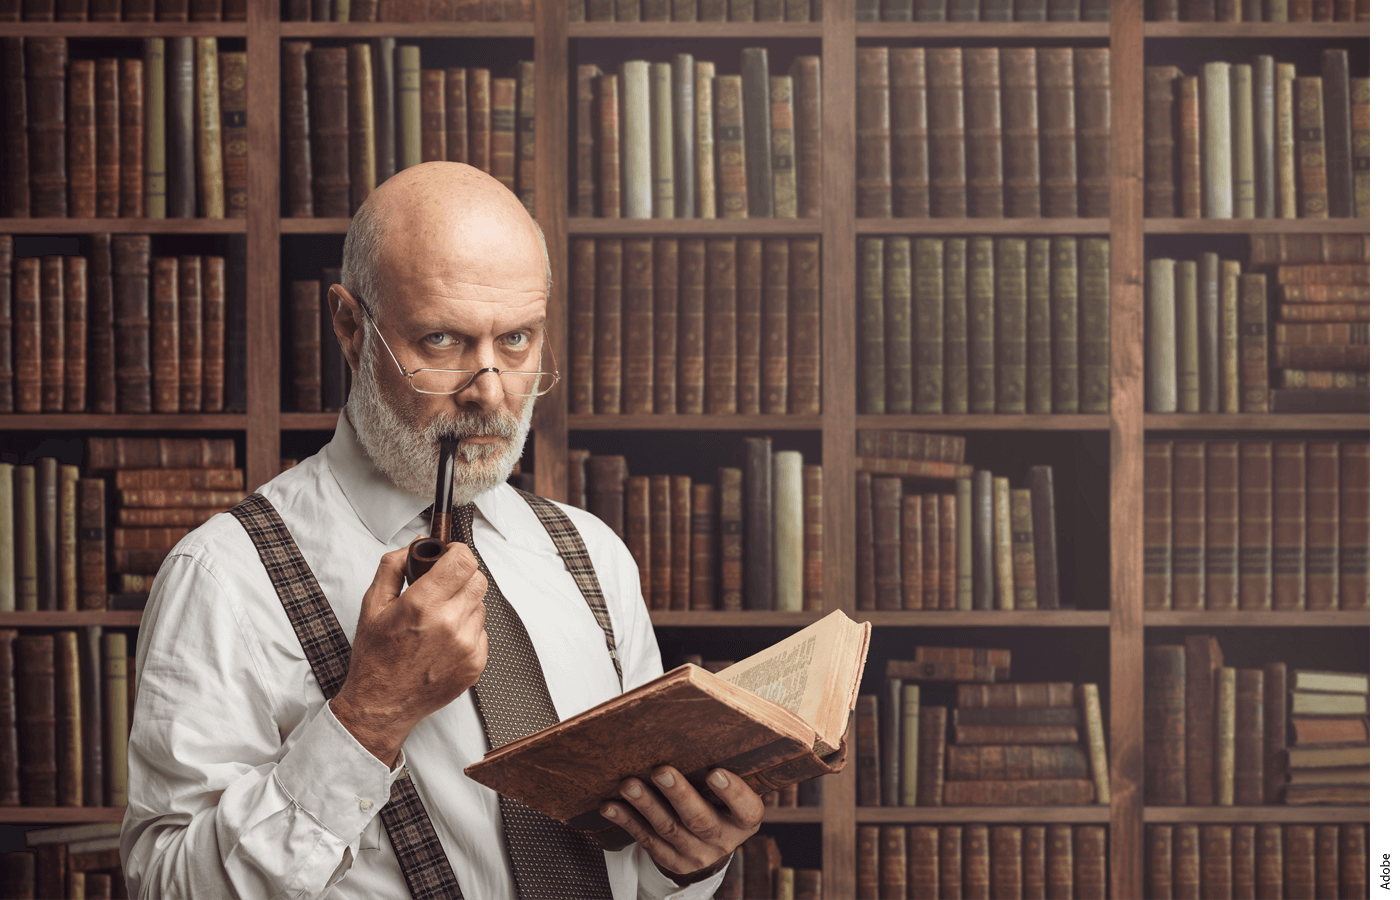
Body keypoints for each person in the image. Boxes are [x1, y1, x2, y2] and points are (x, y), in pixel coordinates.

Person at [120, 162, 765, 899]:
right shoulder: (222, 576)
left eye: (516, 340)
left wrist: (691, 859)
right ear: (350, 328)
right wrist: (368, 715)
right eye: (442, 341)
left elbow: (643, 881)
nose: (489, 392)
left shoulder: (592, 554)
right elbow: (164, 887)